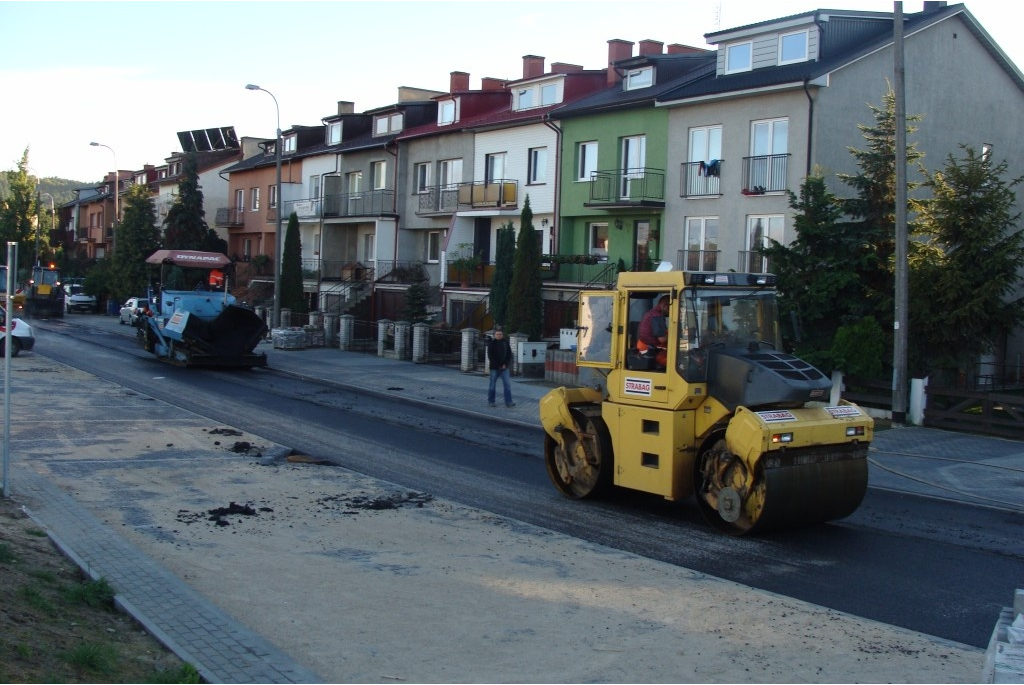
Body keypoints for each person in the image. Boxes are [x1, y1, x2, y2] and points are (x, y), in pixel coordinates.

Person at [636, 295, 670, 368]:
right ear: (666, 305)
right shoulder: (657, 316)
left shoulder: (651, 313)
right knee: (679, 364)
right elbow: (663, 339)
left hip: (647, 349)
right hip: (649, 352)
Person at [487, 327, 516, 408]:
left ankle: (509, 402)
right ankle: (491, 401)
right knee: (492, 385)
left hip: (505, 368)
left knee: (507, 385)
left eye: (500, 334)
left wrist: (505, 364)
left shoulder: (506, 343)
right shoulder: (491, 344)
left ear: (502, 335)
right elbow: (490, 356)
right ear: (494, 335)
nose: (499, 336)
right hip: (494, 368)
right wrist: (498, 365)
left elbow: (509, 355)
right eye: (497, 334)